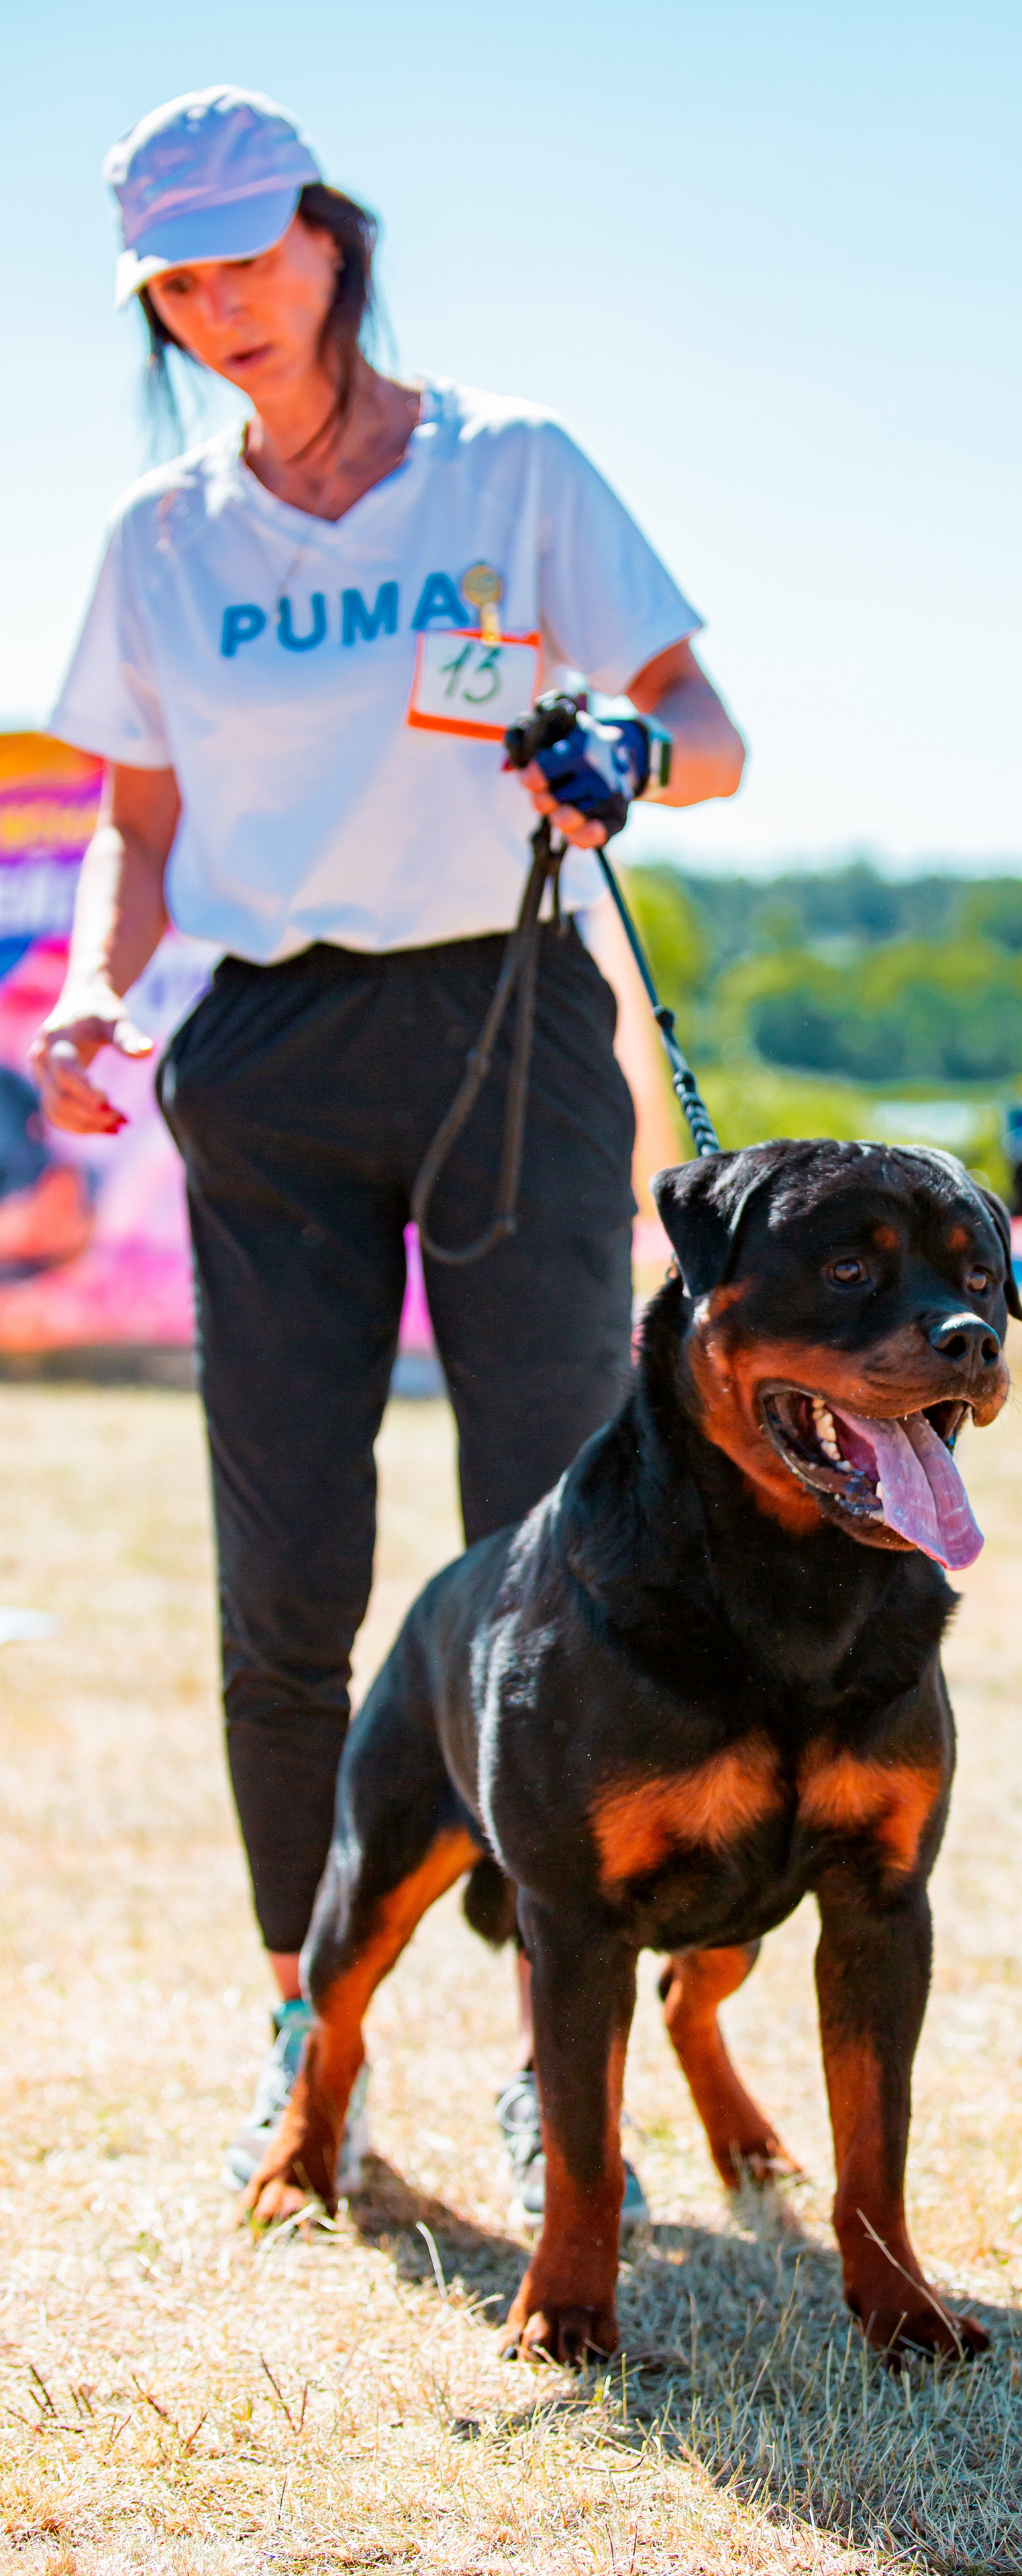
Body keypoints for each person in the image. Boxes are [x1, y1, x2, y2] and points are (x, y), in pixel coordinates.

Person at [32, 87, 746, 2228]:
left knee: (550, 1557)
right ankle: (300, 2032)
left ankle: (558, 2045)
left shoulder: (510, 468)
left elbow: (706, 729)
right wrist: (92, 990)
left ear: (335, 241)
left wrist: (628, 750)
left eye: (251, 253)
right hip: (263, 1055)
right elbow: (134, 837)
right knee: (288, 1577)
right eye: (179, 277)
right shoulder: (161, 539)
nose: (219, 302)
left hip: (508, 1020)